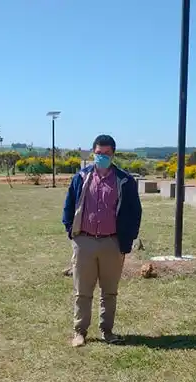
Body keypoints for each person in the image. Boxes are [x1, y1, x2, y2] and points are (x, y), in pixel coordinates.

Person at [62, 135, 142, 347]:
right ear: (93, 153)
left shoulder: (124, 180)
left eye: (106, 154)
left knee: (109, 291)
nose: (102, 157)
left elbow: (135, 212)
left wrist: (127, 239)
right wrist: (72, 231)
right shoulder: (81, 177)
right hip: (85, 242)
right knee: (83, 291)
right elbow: (69, 206)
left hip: (112, 243)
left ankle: (107, 330)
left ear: (113, 154)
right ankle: (80, 332)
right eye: (99, 153)